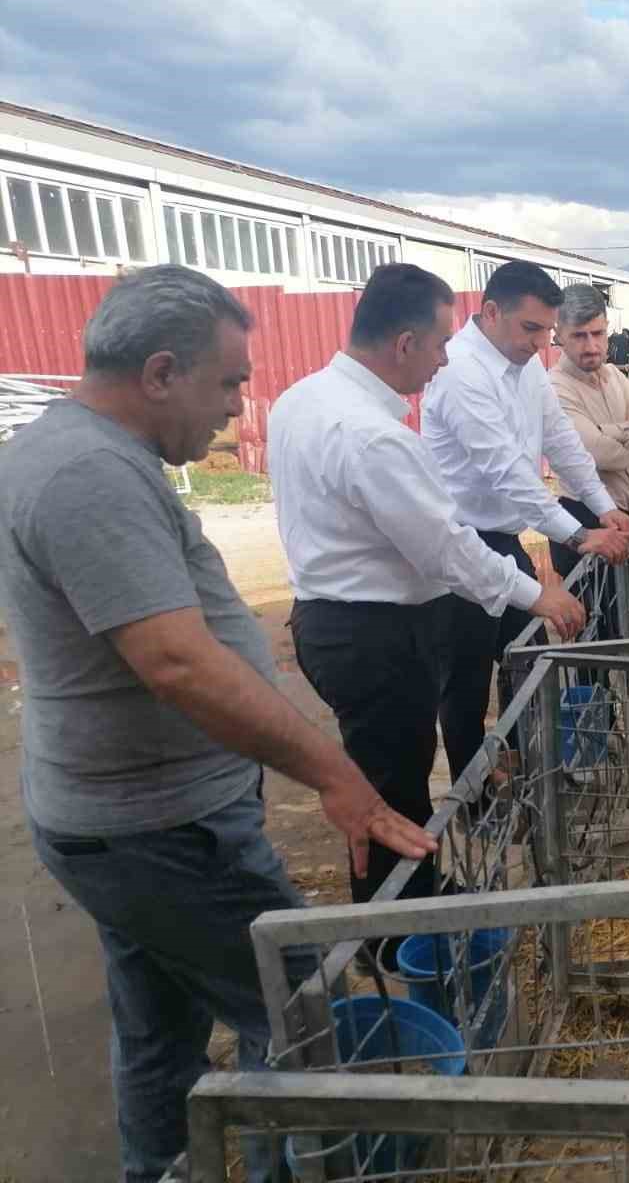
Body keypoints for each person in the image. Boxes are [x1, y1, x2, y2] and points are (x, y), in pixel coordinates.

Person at [0, 265, 437, 1183]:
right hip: (163, 825)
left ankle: (158, 1167)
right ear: (160, 373)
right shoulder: (89, 475)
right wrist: (332, 773)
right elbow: (177, 661)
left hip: (128, 819)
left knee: (160, 1027)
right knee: (301, 1007)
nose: (238, 410)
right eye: (230, 382)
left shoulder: (82, 454)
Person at [269, 263, 585, 924]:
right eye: (441, 343)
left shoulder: (302, 398)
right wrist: (537, 595)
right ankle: (396, 930)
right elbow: (445, 546)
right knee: (394, 787)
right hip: (375, 634)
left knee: (389, 776)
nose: (445, 359)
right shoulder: (374, 435)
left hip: (330, 618)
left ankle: (409, 906)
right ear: (405, 343)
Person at [420, 260, 629, 784]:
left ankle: (527, 771)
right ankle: (476, 799)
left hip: (502, 537)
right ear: (491, 312)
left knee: (529, 658)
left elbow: (560, 438)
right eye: (531, 328)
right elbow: (506, 473)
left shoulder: (524, 363)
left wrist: (604, 505)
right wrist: (580, 534)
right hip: (460, 543)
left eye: (545, 331)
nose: (540, 342)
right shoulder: (460, 371)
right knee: (466, 683)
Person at [548, 283, 629, 695]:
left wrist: (616, 436)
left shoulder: (613, 377)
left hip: (625, 518)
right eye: (579, 336)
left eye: (598, 333)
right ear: (559, 336)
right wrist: (626, 439)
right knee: (596, 635)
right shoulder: (554, 389)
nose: (591, 345)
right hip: (582, 522)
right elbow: (599, 455)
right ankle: (597, 732)